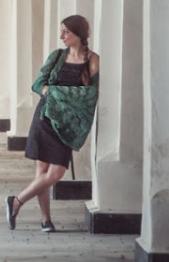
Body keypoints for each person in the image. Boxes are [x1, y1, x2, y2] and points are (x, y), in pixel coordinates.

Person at [6, 15, 100, 233]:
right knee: (42, 170)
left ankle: (16, 202)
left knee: (56, 173)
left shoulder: (92, 61)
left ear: (79, 34)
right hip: (45, 118)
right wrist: (50, 91)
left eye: (66, 32)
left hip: (67, 126)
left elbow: (89, 95)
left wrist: (56, 91)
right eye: (61, 31)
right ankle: (45, 220)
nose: (62, 36)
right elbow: (38, 84)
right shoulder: (57, 56)